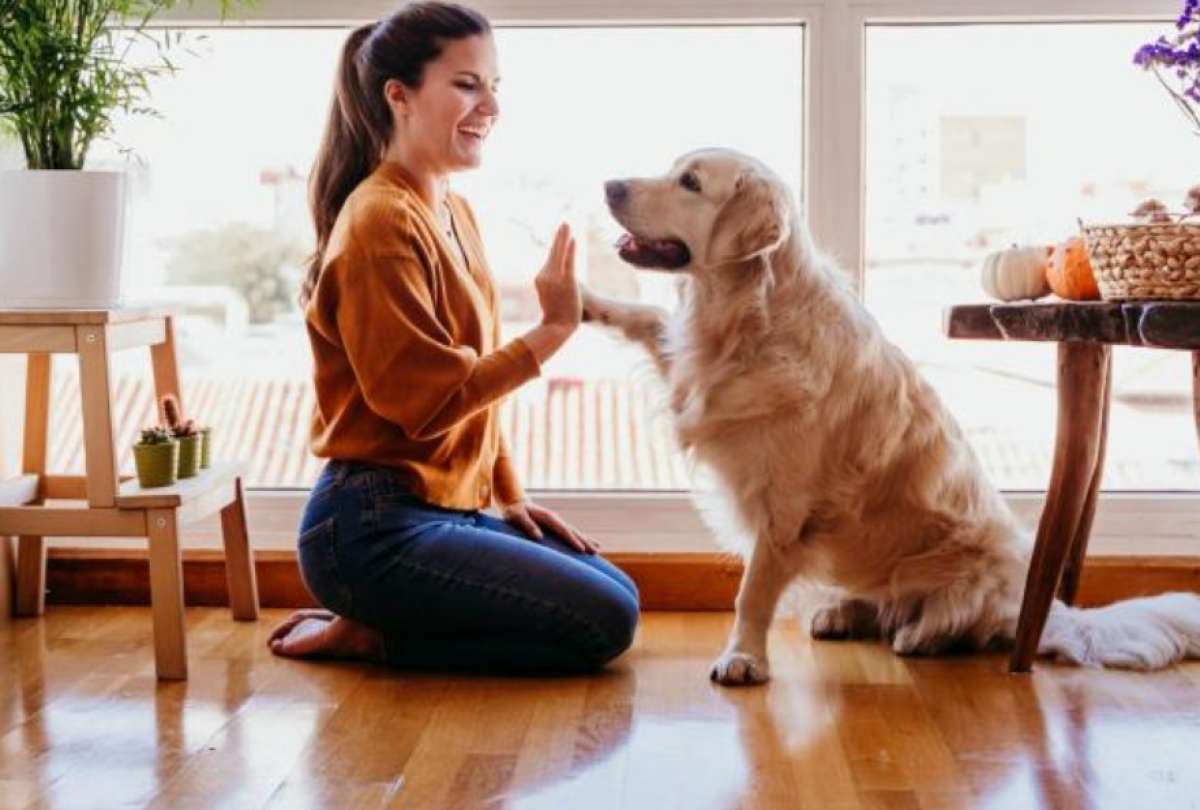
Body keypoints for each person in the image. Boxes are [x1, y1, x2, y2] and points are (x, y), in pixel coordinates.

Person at [266, 2, 640, 673]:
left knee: (617, 592)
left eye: (495, 87)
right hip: (368, 526)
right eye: (468, 84)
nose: (489, 106)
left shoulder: (450, 208)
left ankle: (381, 623)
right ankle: (371, 634)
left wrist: (509, 493)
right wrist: (554, 329)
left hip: (442, 506)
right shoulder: (379, 222)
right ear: (399, 96)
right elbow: (426, 403)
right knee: (604, 622)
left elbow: (473, 397)